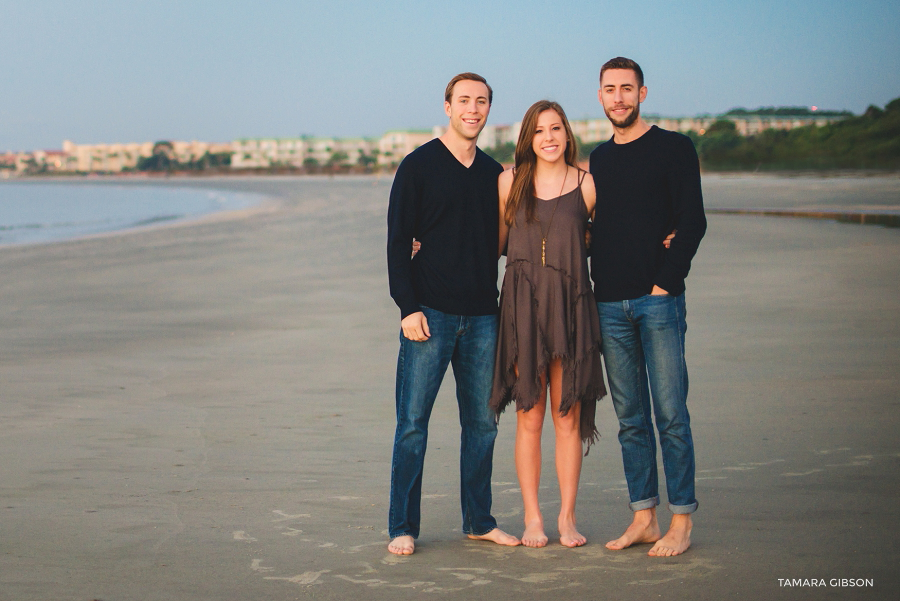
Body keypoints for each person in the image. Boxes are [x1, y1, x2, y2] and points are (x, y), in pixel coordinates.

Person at [385, 72, 521, 555]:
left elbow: (514, 238)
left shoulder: (494, 174)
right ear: (447, 106)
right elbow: (399, 243)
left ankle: (479, 520)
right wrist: (407, 308)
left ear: (488, 109)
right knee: (413, 424)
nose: (473, 109)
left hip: (485, 316)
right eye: (464, 100)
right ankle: (402, 525)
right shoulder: (417, 166)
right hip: (430, 314)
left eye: (481, 101)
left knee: (483, 426)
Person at [589, 57, 707, 557]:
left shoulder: (675, 148)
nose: (618, 98)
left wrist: (665, 284)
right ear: (599, 96)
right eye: (610, 89)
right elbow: (591, 227)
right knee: (630, 418)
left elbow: (693, 221)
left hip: (658, 302)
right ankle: (644, 516)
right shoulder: (596, 160)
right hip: (608, 305)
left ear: (642, 93)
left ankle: (681, 520)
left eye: (627, 89)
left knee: (671, 413)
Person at [489, 100, 606, 548]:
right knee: (529, 418)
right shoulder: (508, 183)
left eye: (556, 128)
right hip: (521, 312)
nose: (549, 137)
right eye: (539, 131)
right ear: (528, 139)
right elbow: (494, 245)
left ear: (567, 134)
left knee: (567, 418)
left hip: (572, 311)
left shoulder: (588, 185)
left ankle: (567, 518)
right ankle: (533, 518)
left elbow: (612, 239)